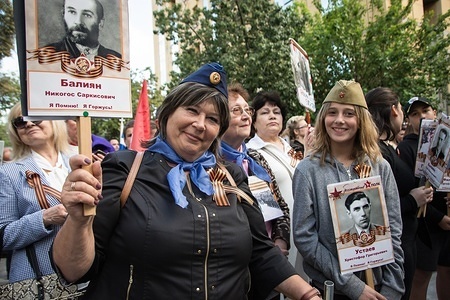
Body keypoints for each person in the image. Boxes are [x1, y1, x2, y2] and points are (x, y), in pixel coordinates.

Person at [51, 63, 322, 300]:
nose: (200, 124)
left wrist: (308, 294)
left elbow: (261, 253)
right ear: (166, 114)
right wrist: (78, 220)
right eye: (191, 110)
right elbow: (73, 270)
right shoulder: (124, 168)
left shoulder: (231, 176)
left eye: (213, 118)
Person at [292, 80, 405, 299]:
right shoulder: (308, 171)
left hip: (380, 287)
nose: (339, 120)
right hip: (332, 289)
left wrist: (393, 288)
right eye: (332, 112)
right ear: (324, 117)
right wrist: (354, 287)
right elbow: (305, 238)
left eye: (349, 113)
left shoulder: (379, 166)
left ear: (361, 120)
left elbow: (394, 230)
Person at [220, 82, 291, 299]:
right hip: (237, 272)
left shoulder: (255, 159)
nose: (245, 116)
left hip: (271, 264)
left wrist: (280, 241)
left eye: (247, 110)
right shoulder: (210, 164)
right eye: (236, 111)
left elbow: (279, 204)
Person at [366, 87, 433, 300]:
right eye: (405, 110)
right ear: (394, 110)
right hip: (395, 245)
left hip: (406, 240)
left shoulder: (387, 147)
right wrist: (413, 200)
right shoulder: (377, 153)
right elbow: (377, 208)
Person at [0, 103, 71, 283]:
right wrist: (45, 218)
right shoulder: (9, 173)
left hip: (86, 273)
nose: (29, 124)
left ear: (54, 122)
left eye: (35, 117)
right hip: (39, 278)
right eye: (20, 122)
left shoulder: (79, 163)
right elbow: (4, 237)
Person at [246, 90, 309, 281]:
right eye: (265, 112)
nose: (272, 115)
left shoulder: (293, 149)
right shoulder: (250, 153)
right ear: (253, 120)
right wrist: (277, 237)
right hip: (280, 236)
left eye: (276, 111)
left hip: (306, 231)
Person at [397, 97, 450, 300]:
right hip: (424, 225)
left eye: (425, 111)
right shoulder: (407, 148)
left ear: (435, 113)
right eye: (415, 114)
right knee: (421, 277)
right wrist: (438, 217)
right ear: (409, 119)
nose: (422, 117)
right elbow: (411, 189)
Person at [45, 0, 121, 61]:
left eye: (87, 15)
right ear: (63, 15)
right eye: (72, 12)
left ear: (100, 23)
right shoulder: (48, 55)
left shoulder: (116, 60)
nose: (78, 21)